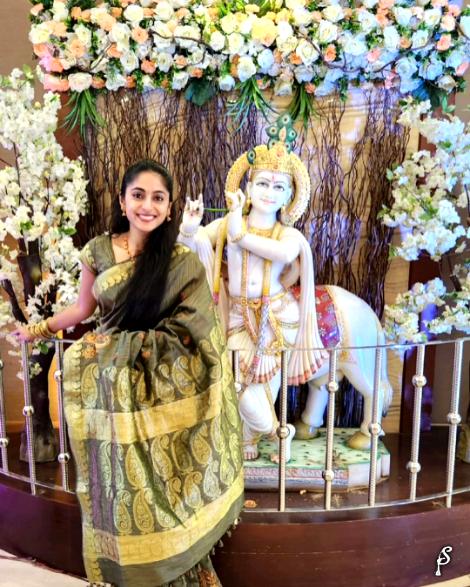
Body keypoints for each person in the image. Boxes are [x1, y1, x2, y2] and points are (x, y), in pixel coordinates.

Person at [13, 160, 244, 587]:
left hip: (161, 387)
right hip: (111, 388)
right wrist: (37, 329)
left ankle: (174, 571)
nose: (147, 206)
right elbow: (83, 310)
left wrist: (130, 347)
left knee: (163, 485)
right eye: (138, 195)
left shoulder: (181, 262)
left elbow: (193, 329)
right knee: (120, 486)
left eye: (158, 198)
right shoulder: (98, 252)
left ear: (170, 209)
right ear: (123, 201)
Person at [178, 117, 328, 461]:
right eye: (262, 183)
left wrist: (240, 236)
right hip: (237, 316)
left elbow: (283, 255)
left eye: (279, 187)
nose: (269, 192)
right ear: (247, 186)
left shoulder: (287, 234)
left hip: (276, 318)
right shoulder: (229, 224)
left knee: (262, 386)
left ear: (289, 196)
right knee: (237, 387)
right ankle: (277, 433)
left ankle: (256, 437)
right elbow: (193, 248)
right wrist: (188, 228)